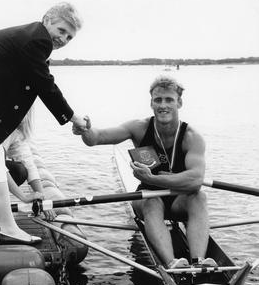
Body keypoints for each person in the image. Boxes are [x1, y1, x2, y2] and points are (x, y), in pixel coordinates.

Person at [73, 75, 217, 269]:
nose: (163, 105)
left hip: (178, 201)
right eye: (158, 100)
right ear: (151, 103)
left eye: (169, 100)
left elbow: (195, 181)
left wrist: (153, 178)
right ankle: (172, 263)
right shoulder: (139, 128)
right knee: (152, 201)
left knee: (199, 196)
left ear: (179, 103)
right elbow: (97, 138)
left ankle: (199, 263)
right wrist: (86, 130)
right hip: (147, 199)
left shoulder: (192, 137)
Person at [0, 2, 86, 244]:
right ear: (47, 20)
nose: (63, 38)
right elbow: (45, 84)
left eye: (69, 37)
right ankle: (9, 229)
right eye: (61, 30)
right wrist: (73, 117)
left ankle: (6, 227)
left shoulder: (29, 38)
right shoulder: (37, 40)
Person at [3, 109, 56, 221]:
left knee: (20, 171)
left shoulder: (17, 131)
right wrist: (25, 197)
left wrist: (43, 200)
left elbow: (28, 164)